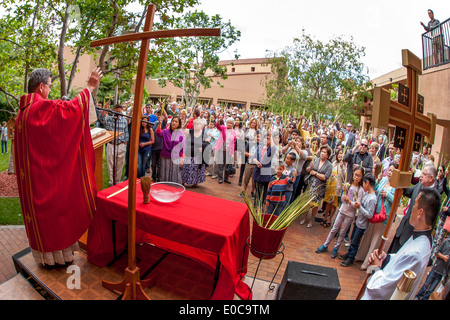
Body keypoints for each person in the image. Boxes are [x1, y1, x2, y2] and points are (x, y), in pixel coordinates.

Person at [14, 67, 102, 268]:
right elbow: (70, 111)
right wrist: (89, 87)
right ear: (41, 86)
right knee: (55, 214)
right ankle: (57, 260)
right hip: (45, 178)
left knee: (45, 220)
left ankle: (49, 258)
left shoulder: (23, 112)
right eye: (49, 86)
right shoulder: (39, 108)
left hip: (35, 178)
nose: (50, 91)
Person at [361, 188, 441, 300]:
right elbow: (402, 260)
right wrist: (386, 257)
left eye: (414, 205)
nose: (411, 208)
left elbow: (382, 288)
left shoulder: (416, 253)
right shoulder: (424, 237)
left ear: (420, 213)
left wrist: (375, 267)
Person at [316, 166, 365, 258]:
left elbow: (357, 204)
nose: (357, 177)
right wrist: (344, 194)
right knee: (334, 229)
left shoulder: (361, 190)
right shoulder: (348, 185)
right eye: (356, 175)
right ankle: (325, 245)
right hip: (342, 210)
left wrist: (350, 201)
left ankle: (336, 248)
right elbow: (342, 198)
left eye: (359, 176)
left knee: (342, 232)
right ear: (353, 174)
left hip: (350, 214)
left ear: (362, 177)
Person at [356, 163, 398, 270]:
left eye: (392, 171)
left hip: (384, 216)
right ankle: (360, 256)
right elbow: (375, 190)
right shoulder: (383, 180)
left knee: (376, 240)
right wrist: (378, 181)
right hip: (374, 212)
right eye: (389, 170)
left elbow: (397, 201)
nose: (389, 172)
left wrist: (387, 195)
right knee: (368, 235)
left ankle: (367, 262)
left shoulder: (397, 186)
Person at [388, 164, 437, 254]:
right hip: (403, 228)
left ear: (431, 178)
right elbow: (407, 191)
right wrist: (399, 180)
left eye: (424, 174)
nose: (421, 176)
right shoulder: (419, 185)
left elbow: (431, 223)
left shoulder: (434, 196)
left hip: (413, 236)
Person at [339, 173, 377, 267]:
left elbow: (370, 215)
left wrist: (360, 207)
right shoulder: (367, 193)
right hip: (358, 221)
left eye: (363, 183)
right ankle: (349, 254)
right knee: (353, 239)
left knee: (355, 241)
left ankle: (351, 258)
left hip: (362, 224)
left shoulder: (372, 198)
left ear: (367, 183)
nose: (363, 185)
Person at [300, 145, 333, 228]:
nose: (322, 153)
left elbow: (326, 177)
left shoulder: (329, 165)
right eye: (322, 151)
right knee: (307, 203)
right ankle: (304, 218)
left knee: (315, 205)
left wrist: (315, 173)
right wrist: (310, 168)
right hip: (310, 184)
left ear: (328, 155)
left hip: (319, 187)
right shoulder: (315, 160)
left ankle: (311, 220)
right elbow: (308, 170)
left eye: (325, 152)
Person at [99, 102, 129, 186]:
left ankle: (117, 181)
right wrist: (105, 107)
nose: (118, 114)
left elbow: (126, 133)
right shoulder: (109, 119)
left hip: (121, 144)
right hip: (111, 144)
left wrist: (125, 143)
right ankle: (112, 181)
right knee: (110, 163)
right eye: (117, 112)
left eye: (120, 112)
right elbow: (101, 118)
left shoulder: (124, 121)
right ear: (114, 111)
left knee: (120, 164)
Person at [415, 235, 450, 300]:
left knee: (431, 289)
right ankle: (418, 296)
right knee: (426, 284)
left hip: (442, 272)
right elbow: (437, 252)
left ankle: (425, 298)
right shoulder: (446, 241)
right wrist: (443, 257)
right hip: (436, 268)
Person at [321, 147, 347, 228]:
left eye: (342, 153)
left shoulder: (345, 165)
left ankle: (330, 218)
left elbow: (344, 177)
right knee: (328, 203)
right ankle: (325, 217)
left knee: (334, 204)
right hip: (330, 186)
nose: (340, 155)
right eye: (339, 153)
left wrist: (342, 167)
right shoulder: (334, 163)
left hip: (338, 188)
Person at [156, 115, 185, 184]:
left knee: (174, 173)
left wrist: (182, 159)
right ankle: (164, 187)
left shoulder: (181, 133)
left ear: (179, 124)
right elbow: (158, 133)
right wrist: (159, 124)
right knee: (165, 172)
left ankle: (173, 188)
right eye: (173, 121)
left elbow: (182, 147)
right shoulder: (165, 131)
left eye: (176, 122)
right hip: (165, 155)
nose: (174, 123)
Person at [181, 118, 207, 188]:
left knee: (195, 170)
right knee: (186, 168)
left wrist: (203, 147)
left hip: (197, 155)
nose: (196, 125)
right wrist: (186, 122)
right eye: (195, 124)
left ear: (201, 125)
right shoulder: (190, 131)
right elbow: (182, 130)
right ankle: (183, 181)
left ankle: (195, 182)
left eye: (198, 124)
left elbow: (207, 142)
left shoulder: (203, 133)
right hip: (188, 153)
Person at [215, 117, 237, 184]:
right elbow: (218, 127)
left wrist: (232, 152)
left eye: (231, 123)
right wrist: (217, 123)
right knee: (220, 164)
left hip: (228, 150)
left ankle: (226, 178)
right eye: (228, 122)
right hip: (221, 149)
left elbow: (234, 142)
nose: (229, 124)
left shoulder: (234, 132)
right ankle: (220, 178)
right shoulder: (223, 128)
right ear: (226, 123)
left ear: (233, 124)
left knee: (227, 165)